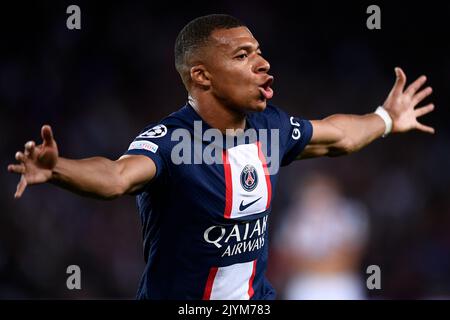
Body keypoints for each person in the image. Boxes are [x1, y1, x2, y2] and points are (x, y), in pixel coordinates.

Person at [7, 14, 435, 299]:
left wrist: (384, 117)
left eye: (260, 51)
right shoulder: (172, 142)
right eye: (243, 55)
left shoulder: (270, 127)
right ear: (201, 75)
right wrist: (59, 169)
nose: (263, 63)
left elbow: (338, 135)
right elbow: (117, 176)